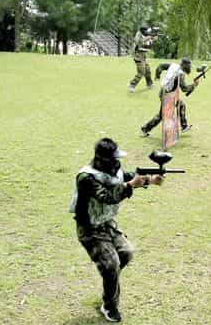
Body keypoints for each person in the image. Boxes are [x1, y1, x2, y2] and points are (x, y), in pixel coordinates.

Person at [69, 138, 163, 322]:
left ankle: (109, 280)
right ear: (104, 159)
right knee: (111, 266)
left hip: (107, 224)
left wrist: (150, 180)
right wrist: (130, 186)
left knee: (126, 253)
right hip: (90, 229)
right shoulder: (86, 177)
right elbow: (106, 196)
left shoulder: (113, 171)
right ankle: (110, 306)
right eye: (113, 158)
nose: (116, 162)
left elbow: (126, 176)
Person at [140, 57, 199, 137]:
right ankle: (145, 128)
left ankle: (184, 126)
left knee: (181, 105)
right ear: (185, 66)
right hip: (167, 95)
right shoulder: (180, 74)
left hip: (166, 92)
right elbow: (185, 89)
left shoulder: (173, 65)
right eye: (188, 66)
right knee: (162, 116)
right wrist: (194, 85)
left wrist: (157, 75)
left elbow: (160, 66)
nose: (189, 68)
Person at [128, 26, 155, 93]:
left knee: (147, 70)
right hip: (137, 56)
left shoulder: (143, 35)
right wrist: (148, 38)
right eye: (146, 32)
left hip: (143, 56)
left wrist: (152, 39)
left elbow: (149, 46)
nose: (147, 33)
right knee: (141, 72)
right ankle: (132, 85)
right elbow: (138, 43)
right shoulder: (138, 35)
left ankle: (149, 84)